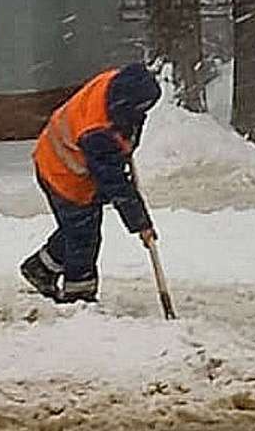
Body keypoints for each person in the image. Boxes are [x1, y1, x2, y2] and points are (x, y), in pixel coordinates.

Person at [20, 62, 161, 304]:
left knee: (76, 228)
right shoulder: (97, 132)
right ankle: (78, 298)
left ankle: (41, 268)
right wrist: (140, 223)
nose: (142, 117)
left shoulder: (114, 84)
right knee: (83, 236)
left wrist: (126, 145)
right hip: (62, 174)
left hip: (59, 158)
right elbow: (114, 182)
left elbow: (125, 136)